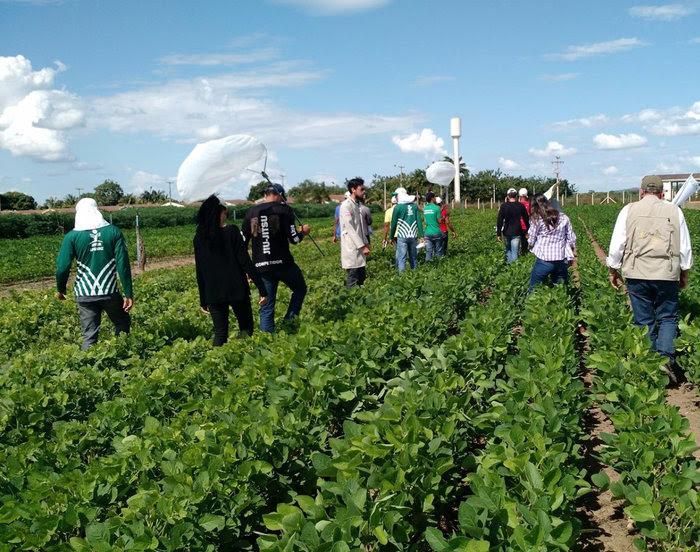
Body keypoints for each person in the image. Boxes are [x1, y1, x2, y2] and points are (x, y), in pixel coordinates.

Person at [607, 175, 693, 381]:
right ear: (662, 193)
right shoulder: (675, 211)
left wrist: (613, 268)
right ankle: (665, 360)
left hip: (637, 272)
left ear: (641, 192)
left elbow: (618, 242)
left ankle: (649, 364)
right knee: (668, 317)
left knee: (644, 320)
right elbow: (684, 246)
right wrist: (684, 271)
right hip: (667, 272)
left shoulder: (628, 210)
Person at [55, 197, 133, 350]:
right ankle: (121, 353)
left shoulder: (71, 236)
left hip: (84, 294)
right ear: (96, 210)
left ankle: (88, 368)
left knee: (89, 335)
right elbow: (123, 265)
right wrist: (128, 293)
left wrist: (61, 289)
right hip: (109, 292)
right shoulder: (113, 232)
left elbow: (62, 267)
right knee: (122, 322)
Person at [194, 196, 268, 345]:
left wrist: (203, 299)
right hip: (236, 288)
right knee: (246, 329)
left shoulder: (199, 238)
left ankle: (215, 364)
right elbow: (245, 262)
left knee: (220, 334)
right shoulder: (231, 231)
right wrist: (262, 289)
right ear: (220, 213)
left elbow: (200, 271)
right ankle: (244, 358)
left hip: (213, 292)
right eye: (224, 213)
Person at [242, 183, 310, 333]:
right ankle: (289, 322)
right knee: (300, 289)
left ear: (265, 194)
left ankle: (268, 341)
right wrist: (303, 232)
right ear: (279, 194)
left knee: (267, 305)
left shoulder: (251, 212)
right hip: (284, 265)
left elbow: (242, 244)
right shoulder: (285, 210)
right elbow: (295, 240)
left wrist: (247, 269)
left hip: (261, 267)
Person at [527, 194, 576, 292]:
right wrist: (571, 254)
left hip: (544, 261)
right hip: (561, 260)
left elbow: (531, 239)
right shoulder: (564, 217)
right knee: (561, 290)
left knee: (534, 289)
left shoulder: (537, 219)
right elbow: (571, 239)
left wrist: (530, 246)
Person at [340, 177, 370, 287]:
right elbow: (350, 228)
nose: (364, 191)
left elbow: (360, 227)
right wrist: (362, 246)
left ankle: (358, 301)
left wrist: (366, 242)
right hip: (352, 247)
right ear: (353, 189)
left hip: (359, 246)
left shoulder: (356, 205)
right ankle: (350, 301)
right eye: (361, 189)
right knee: (353, 278)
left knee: (361, 277)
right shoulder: (346, 205)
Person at [390, 187, 424, 272]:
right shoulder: (414, 206)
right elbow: (419, 221)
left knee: (402, 258)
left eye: (396, 196)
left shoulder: (397, 207)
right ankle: (415, 275)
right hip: (413, 236)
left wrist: (391, 237)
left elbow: (393, 224)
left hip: (402, 236)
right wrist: (421, 236)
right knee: (413, 257)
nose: (395, 198)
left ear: (400, 195)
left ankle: (402, 279)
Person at [497, 187, 529, 263]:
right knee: (515, 251)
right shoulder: (521, 206)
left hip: (506, 231)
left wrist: (498, 233)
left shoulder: (504, 206)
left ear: (508, 196)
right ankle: (514, 269)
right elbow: (526, 219)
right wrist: (527, 231)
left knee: (508, 250)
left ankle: (509, 268)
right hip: (517, 231)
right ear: (516, 196)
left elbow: (500, 220)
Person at [423, 192, 444, 261]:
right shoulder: (437, 208)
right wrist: (443, 218)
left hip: (427, 233)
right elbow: (439, 221)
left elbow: (425, 221)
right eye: (435, 197)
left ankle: (428, 266)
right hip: (436, 232)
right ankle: (439, 265)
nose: (435, 198)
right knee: (438, 251)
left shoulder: (425, 208)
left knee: (429, 251)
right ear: (432, 198)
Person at [518, 188, 531, 254]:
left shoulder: (517, 204)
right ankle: (524, 252)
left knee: (518, 239)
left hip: (518, 225)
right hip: (526, 225)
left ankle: (519, 252)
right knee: (525, 239)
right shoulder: (529, 204)